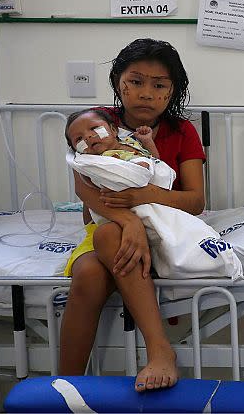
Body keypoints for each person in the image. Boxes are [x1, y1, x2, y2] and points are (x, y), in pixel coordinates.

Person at [60, 39, 205, 392]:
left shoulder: (181, 131)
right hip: (107, 225)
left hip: (161, 229)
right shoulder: (95, 124)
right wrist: (128, 221)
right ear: (118, 82)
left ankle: (159, 350)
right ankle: (63, 386)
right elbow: (83, 188)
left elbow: (196, 200)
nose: (146, 93)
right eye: (136, 82)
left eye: (159, 86)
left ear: (173, 92)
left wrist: (143, 198)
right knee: (90, 271)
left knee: (107, 240)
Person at [65, 108, 160, 167]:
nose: (87, 137)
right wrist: (135, 169)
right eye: (79, 139)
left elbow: (156, 160)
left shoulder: (130, 141)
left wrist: (147, 141)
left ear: (114, 130)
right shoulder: (100, 162)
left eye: (94, 128)